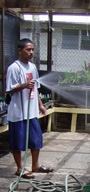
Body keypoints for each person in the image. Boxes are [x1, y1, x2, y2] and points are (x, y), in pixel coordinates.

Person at [6, 38, 53, 179]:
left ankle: (35, 165)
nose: (31, 52)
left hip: (31, 112)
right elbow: (9, 89)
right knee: (18, 141)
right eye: (28, 49)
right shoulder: (14, 68)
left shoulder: (32, 67)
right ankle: (20, 168)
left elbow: (36, 88)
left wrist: (40, 105)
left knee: (36, 138)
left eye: (33, 49)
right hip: (18, 112)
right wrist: (24, 85)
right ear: (20, 50)